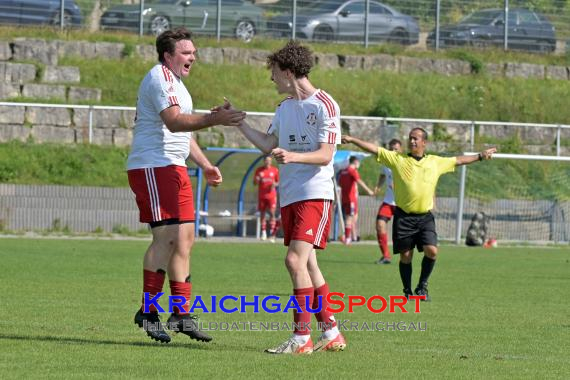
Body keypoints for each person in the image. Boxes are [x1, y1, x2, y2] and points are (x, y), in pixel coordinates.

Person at [127, 27, 246, 343]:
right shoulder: (160, 78)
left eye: (193, 52)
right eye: (185, 52)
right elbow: (174, 122)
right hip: (153, 165)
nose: (192, 57)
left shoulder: (177, 84)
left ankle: (181, 314)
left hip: (174, 167)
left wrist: (206, 165)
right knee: (165, 239)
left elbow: (183, 133)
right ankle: (148, 312)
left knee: (185, 240)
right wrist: (215, 119)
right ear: (168, 56)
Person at [228, 41, 345, 354]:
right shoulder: (284, 108)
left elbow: (326, 154)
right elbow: (267, 143)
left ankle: (301, 338)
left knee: (294, 260)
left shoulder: (325, 105)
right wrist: (239, 123)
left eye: (275, 73)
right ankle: (332, 332)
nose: (272, 79)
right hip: (291, 195)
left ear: (290, 72)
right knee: (309, 264)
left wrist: (292, 156)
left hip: (315, 194)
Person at [342, 129, 496, 301]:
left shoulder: (435, 162)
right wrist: (353, 139)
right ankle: (407, 290)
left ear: (424, 143)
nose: (412, 141)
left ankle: (422, 287)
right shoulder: (398, 159)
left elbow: (459, 160)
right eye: (410, 139)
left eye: (416, 139)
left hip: (425, 217)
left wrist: (481, 156)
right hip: (404, 216)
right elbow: (374, 149)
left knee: (432, 251)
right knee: (406, 256)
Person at [374, 138, 402, 264]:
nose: (393, 151)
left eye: (396, 149)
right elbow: (383, 175)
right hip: (388, 202)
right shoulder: (386, 163)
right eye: (391, 149)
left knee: (403, 232)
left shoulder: (405, 163)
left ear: (401, 150)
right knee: (380, 225)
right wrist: (378, 187)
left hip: (403, 203)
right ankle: (386, 256)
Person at [337, 156, 374, 244]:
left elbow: (340, 184)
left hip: (345, 198)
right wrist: (368, 190)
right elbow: (359, 180)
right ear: (356, 162)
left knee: (352, 217)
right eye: (359, 162)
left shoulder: (343, 171)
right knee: (350, 218)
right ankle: (347, 238)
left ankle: (351, 237)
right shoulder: (352, 171)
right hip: (351, 199)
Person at [254, 155, 279, 242]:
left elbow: (278, 182)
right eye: (266, 160)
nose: (268, 162)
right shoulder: (259, 170)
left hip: (271, 196)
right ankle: (263, 233)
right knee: (262, 214)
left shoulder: (275, 170)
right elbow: (255, 183)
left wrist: (274, 184)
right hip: (262, 196)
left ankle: (272, 234)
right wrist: (257, 179)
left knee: (272, 213)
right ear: (264, 161)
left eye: (269, 160)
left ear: (271, 161)